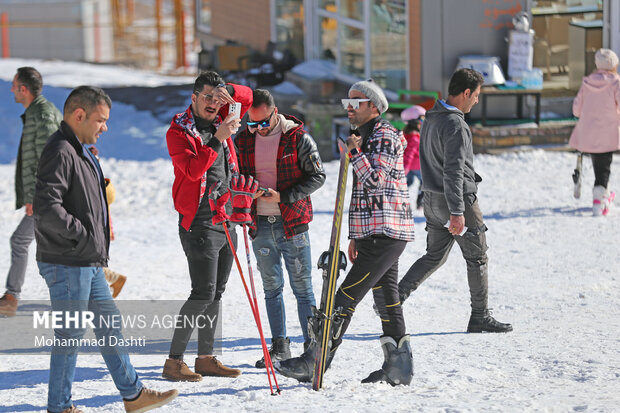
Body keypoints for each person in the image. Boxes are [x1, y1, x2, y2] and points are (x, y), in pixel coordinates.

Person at [34, 85, 177, 413]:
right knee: (69, 337)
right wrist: (83, 237)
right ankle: (60, 407)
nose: (105, 127)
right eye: (100, 120)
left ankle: (134, 395)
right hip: (68, 260)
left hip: (86, 261)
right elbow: (46, 208)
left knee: (109, 327)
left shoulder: (79, 150)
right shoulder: (60, 150)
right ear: (79, 115)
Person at [276, 79, 415, 386]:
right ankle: (399, 367)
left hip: (387, 232)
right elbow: (367, 195)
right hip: (375, 232)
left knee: (344, 297)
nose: (349, 108)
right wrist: (357, 235)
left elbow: (375, 181)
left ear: (374, 107)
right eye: (347, 103)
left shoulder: (384, 134)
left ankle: (316, 360)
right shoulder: (365, 136)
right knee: (387, 298)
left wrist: (354, 153)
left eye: (356, 103)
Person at [398, 68, 513, 333]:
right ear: (465, 92)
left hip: (431, 200)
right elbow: (453, 171)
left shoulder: (431, 117)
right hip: (456, 200)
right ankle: (480, 316)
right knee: (477, 257)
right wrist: (458, 211)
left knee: (434, 256)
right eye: (476, 95)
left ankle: (395, 298)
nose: (476, 101)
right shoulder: (456, 125)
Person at [162, 71, 253, 382]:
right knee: (202, 292)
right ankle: (174, 361)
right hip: (199, 221)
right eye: (208, 97)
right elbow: (192, 170)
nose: (214, 104)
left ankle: (205, 358)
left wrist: (228, 91)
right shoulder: (178, 132)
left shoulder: (221, 118)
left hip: (225, 217)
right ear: (193, 98)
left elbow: (249, 97)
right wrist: (219, 138)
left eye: (218, 98)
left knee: (217, 293)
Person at [236, 89, 325, 368]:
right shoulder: (244, 140)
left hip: (293, 224)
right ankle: (279, 347)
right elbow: (233, 175)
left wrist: (283, 196)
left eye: (263, 123)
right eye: (252, 123)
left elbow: (318, 176)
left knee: (302, 288)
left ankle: (313, 347)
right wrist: (243, 194)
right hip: (259, 224)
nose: (258, 129)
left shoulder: (297, 138)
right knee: (271, 288)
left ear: (275, 113)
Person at [0, 67, 62, 317]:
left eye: (14, 85)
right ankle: (11, 296)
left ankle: (11, 297)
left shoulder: (43, 115)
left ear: (23, 89)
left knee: (24, 241)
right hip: (46, 196)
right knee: (60, 245)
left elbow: (49, 160)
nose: (12, 90)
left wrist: (36, 197)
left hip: (47, 196)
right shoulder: (36, 112)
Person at [568, 48, 620, 216]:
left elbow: (576, 109)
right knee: (604, 167)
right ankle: (598, 201)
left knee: (599, 164)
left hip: (588, 134)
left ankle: (604, 193)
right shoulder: (616, 82)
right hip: (608, 133)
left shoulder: (587, 82)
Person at [88, 146, 127, 297]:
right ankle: (115, 280)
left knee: (87, 265)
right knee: (88, 264)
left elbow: (109, 198)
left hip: (97, 231)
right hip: (93, 231)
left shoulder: (100, 185)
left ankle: (109, 286)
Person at [401, 105, 426, 209]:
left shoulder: (405, 134)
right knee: (425, 183)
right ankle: (421, 202)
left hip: (409, 166)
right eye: (422, 119)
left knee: (407, 183)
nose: (423, 123)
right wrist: (405, 168)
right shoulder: (414, 137)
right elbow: (409, 154)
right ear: (415, 122)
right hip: (417, 166)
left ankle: (399, 199)